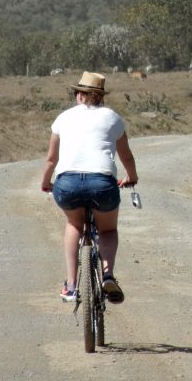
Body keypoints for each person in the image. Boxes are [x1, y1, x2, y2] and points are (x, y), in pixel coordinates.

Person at [41, 71, 138, 304]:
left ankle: (72, 285)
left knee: (74, 224)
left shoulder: (63, 118)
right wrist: (132, 178)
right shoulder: (112, 117)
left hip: (67, 184)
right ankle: (107, 274)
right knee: (108, 230)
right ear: (100, 97)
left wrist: (45, 183)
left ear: (79, 95)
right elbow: (126, 157)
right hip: (103, 183)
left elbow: (51, 160)